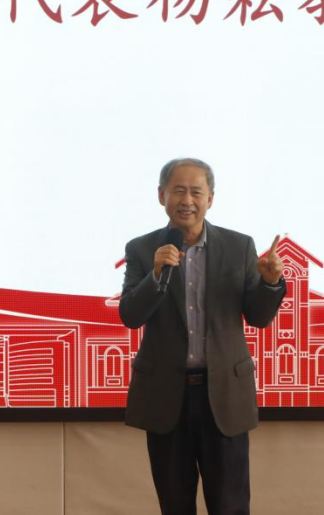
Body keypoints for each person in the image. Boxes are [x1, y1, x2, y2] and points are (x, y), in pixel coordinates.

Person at [118, 157, 286, 515]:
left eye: (196, 192)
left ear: (210, 198)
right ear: (161, 195)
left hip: (223, 396)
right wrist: (156, 274)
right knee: (175, 505)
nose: (187, 200)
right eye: (178, 191)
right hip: (167, 397)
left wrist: (271, 282)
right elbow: (130, 315)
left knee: (230, 506)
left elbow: (258, 317)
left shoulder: (239, 246)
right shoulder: (141, 249)